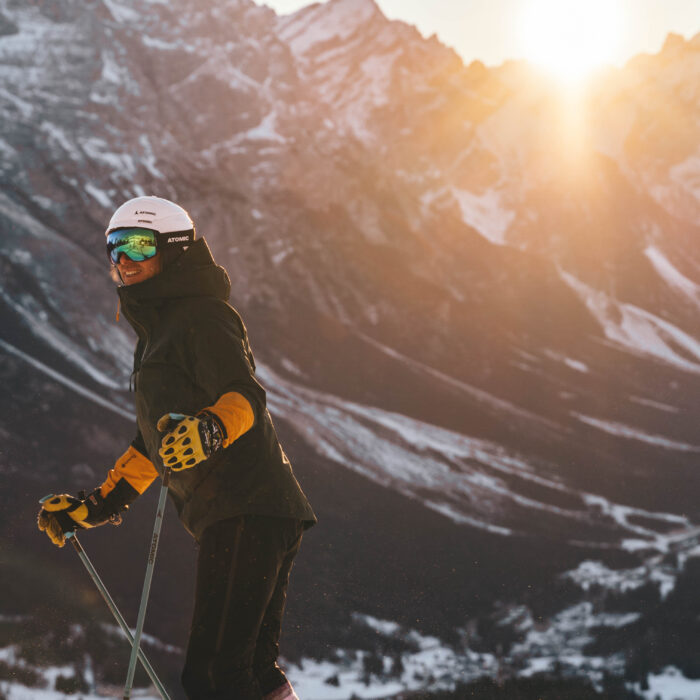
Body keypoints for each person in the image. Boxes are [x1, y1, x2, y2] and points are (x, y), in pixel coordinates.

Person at [37, 195, 316, 700]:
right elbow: (153, 443)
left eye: (138, 246)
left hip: (246, 503)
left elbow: (244, 392)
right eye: (115, 249)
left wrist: (212, 428)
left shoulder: (204, 315)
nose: (123, 260)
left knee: (215, 677)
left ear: (174, 249)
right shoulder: (157, 331)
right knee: (246, 670)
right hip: (246, 510)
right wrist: (97, 506)